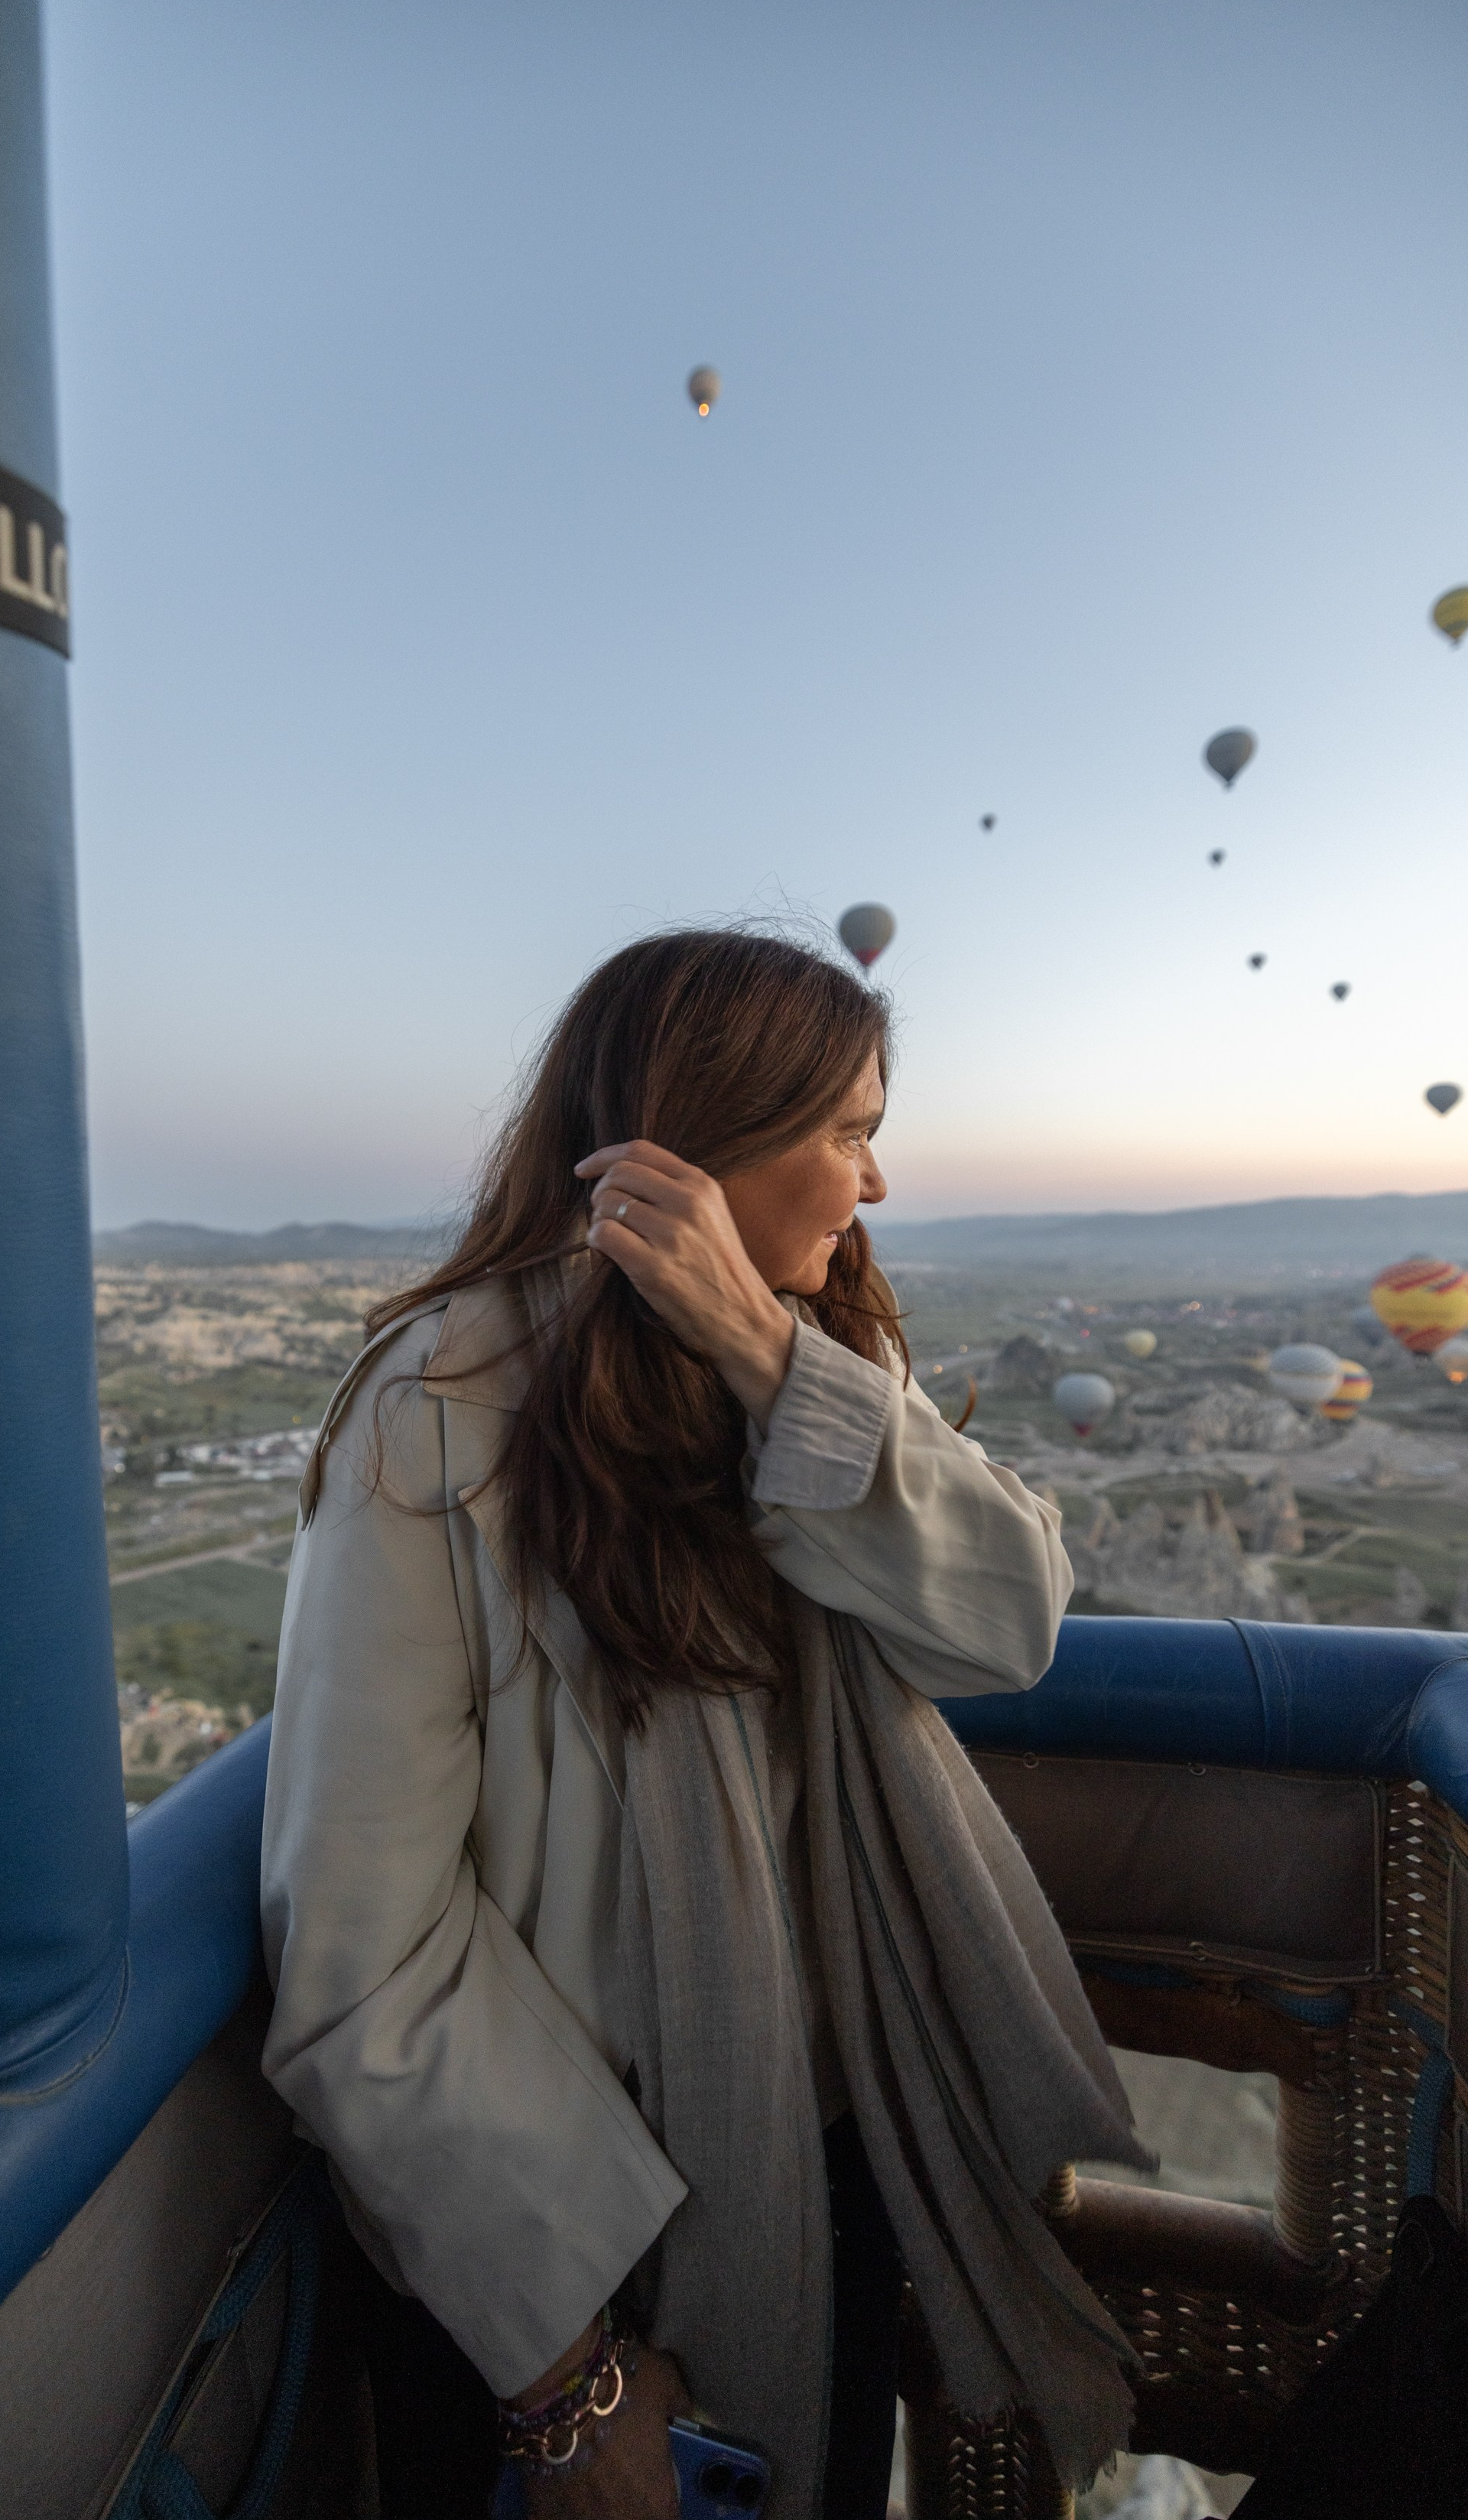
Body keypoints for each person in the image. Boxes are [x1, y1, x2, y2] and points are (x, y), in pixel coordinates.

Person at [261, 928, 1147, 2520]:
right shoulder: (435, 1417)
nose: (875, 1184)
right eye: (849, 1131)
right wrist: (567, 2378)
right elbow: (362, 1953)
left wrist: (765, 1360)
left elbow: (1011, 1618)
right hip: (576, 2234)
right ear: (706, 1135)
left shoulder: (820, 1371)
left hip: (827, 2144)